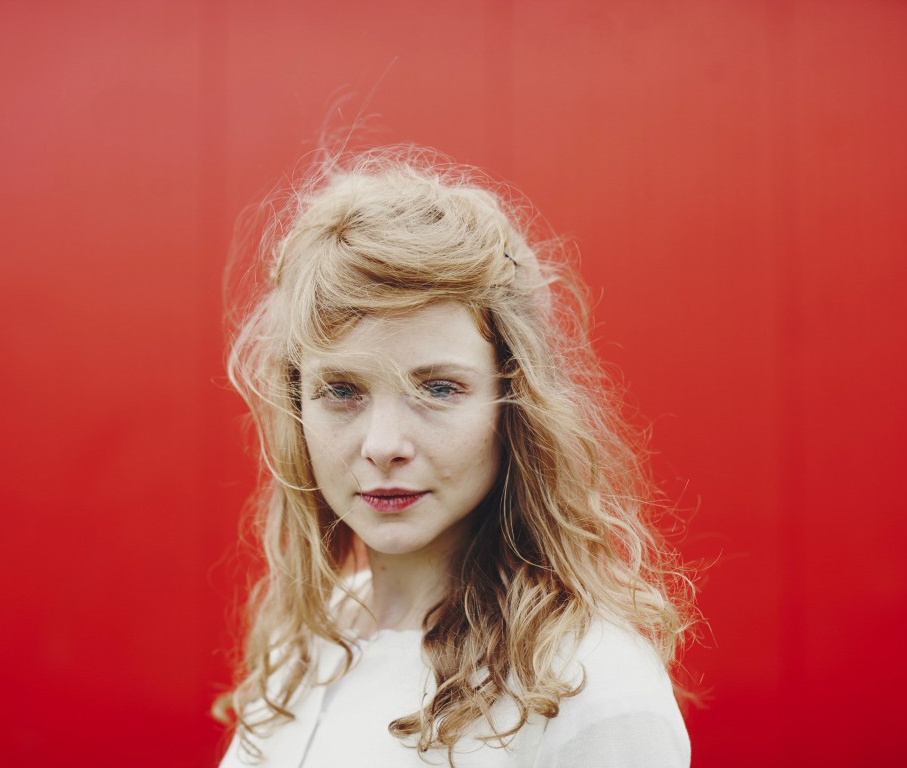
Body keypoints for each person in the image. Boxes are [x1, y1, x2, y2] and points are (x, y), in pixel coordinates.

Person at [215, 146, 695, 767]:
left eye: (438, 388)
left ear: (513, 400)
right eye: (342, 391)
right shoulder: (304, 646)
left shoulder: (586, 684)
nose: (383, 445)